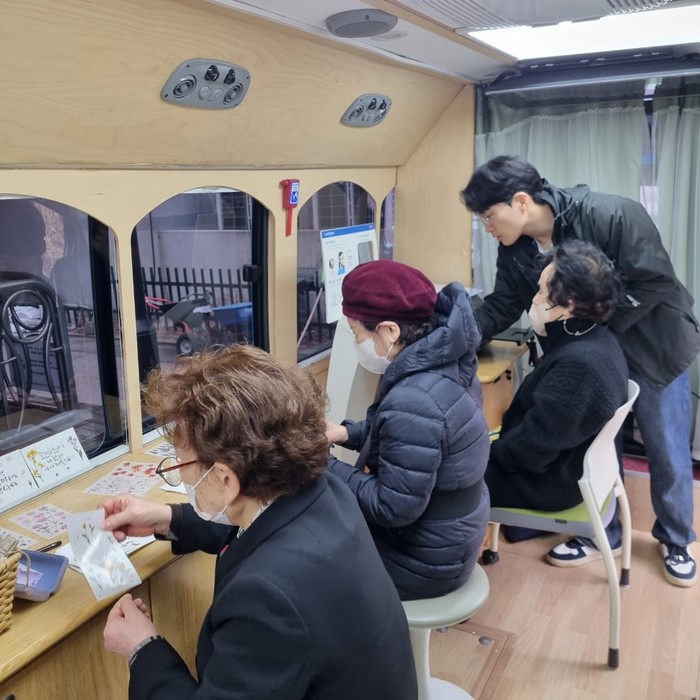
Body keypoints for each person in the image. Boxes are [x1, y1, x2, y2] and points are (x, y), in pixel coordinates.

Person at [101, 344, 418, 700]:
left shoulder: (266, 599)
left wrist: (142, 649)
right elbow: (257, 525)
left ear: (225, 478)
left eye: (179, 464)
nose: (182, 477)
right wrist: (166, 519)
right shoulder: (324, 491)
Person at [461, 154, 699, 587]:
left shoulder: (610, 214)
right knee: (598, 446)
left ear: (520, 201)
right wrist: (456, 336)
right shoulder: (514, 248)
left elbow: (655, 280)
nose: (487, 227)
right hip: (593, 353)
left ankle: (676, 537)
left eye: (489, 216)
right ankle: (604, 532)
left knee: (665, 444)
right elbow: (503, 304)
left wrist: (594, 324)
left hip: (654, 345)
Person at [325, 259, 490, 601]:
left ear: (389, 331)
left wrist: (322, 464)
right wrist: (345, 434)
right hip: (452, 535)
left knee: (305, 554)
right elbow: (412, 439)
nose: (356, 341)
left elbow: (391, 507)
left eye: (356, 332)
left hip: (424, 561)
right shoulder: (448, 361)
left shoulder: (414, 398)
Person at [487, 241, 628, 536]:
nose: (535, 299)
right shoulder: (596, 338)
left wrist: (479, 456)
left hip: (544, 483)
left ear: (570, 303)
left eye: (541, 291)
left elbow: (526, 454)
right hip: (562, 467)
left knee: (436, 480)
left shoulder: (580, 367)